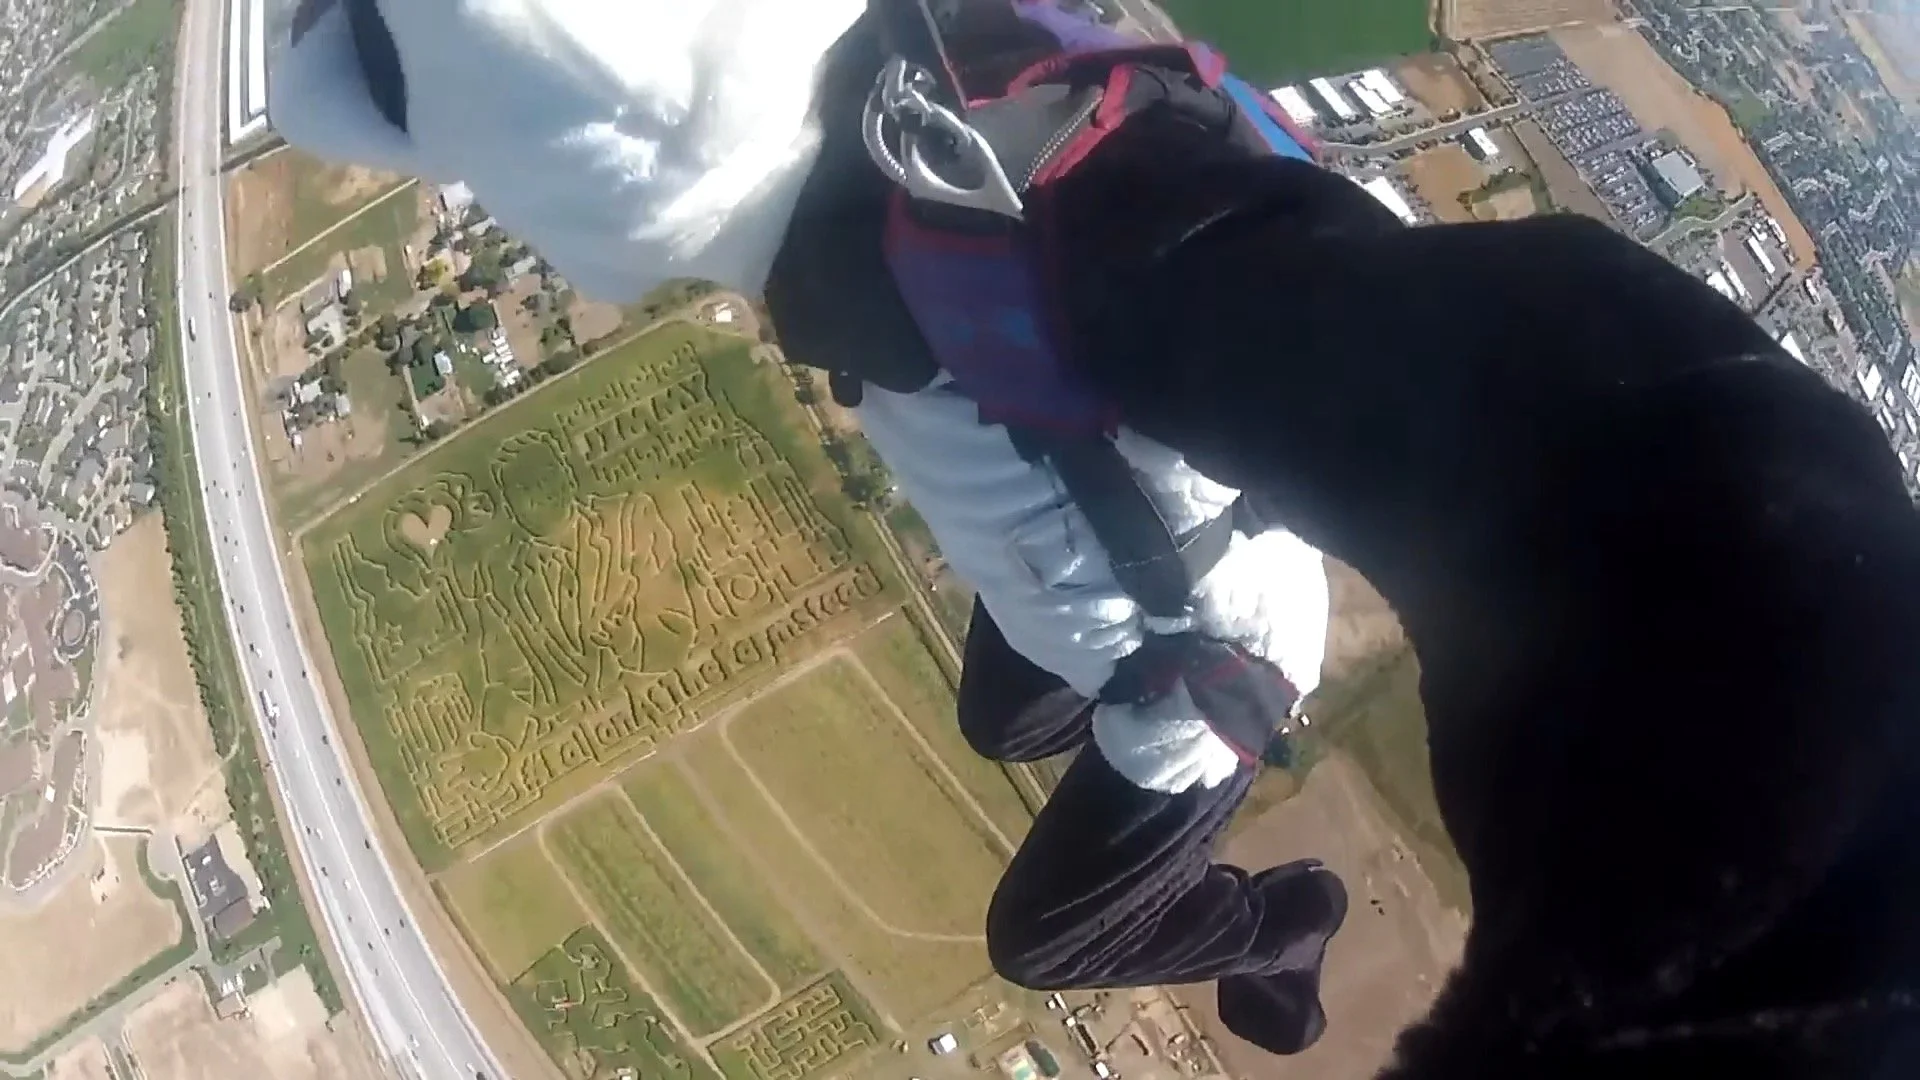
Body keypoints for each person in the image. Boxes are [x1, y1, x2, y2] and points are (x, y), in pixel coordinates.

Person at [270, 1, 1920, 1073]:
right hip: (1130, 547)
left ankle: (1287, 920)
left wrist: (1150, 205)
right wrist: (1149, 202)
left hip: (1207, 667)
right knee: (1004, 719)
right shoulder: (950, 206)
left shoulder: (947, 226)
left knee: (1042, 939)